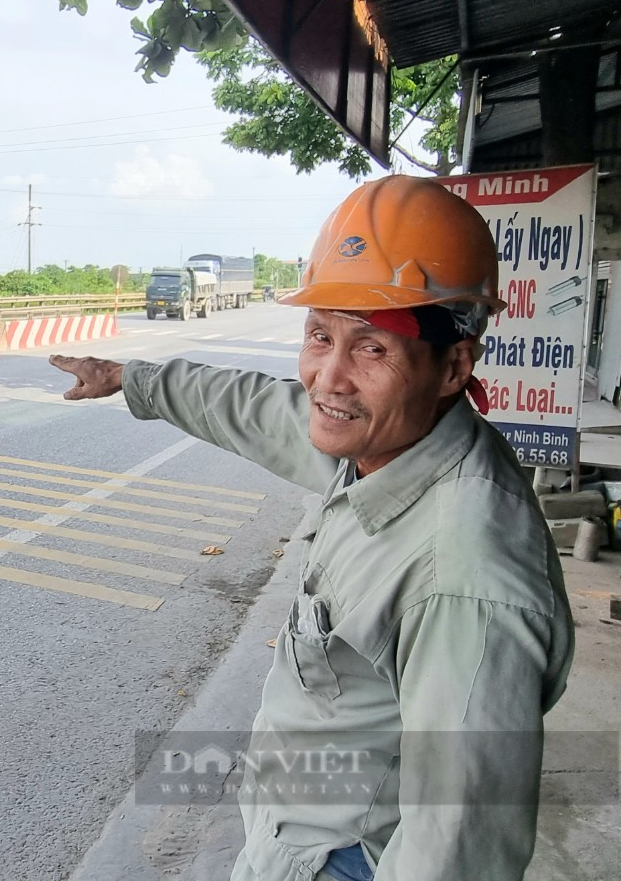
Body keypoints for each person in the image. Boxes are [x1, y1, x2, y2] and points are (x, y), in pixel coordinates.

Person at [50, 176, 574, 881]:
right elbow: (255, 407)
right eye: (320, 335)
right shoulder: (388, 437)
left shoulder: (465, 572)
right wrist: (131, 378)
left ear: (453, 366)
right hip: (298, 833)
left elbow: (459, 843)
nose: (329, 377)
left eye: (373, 348)